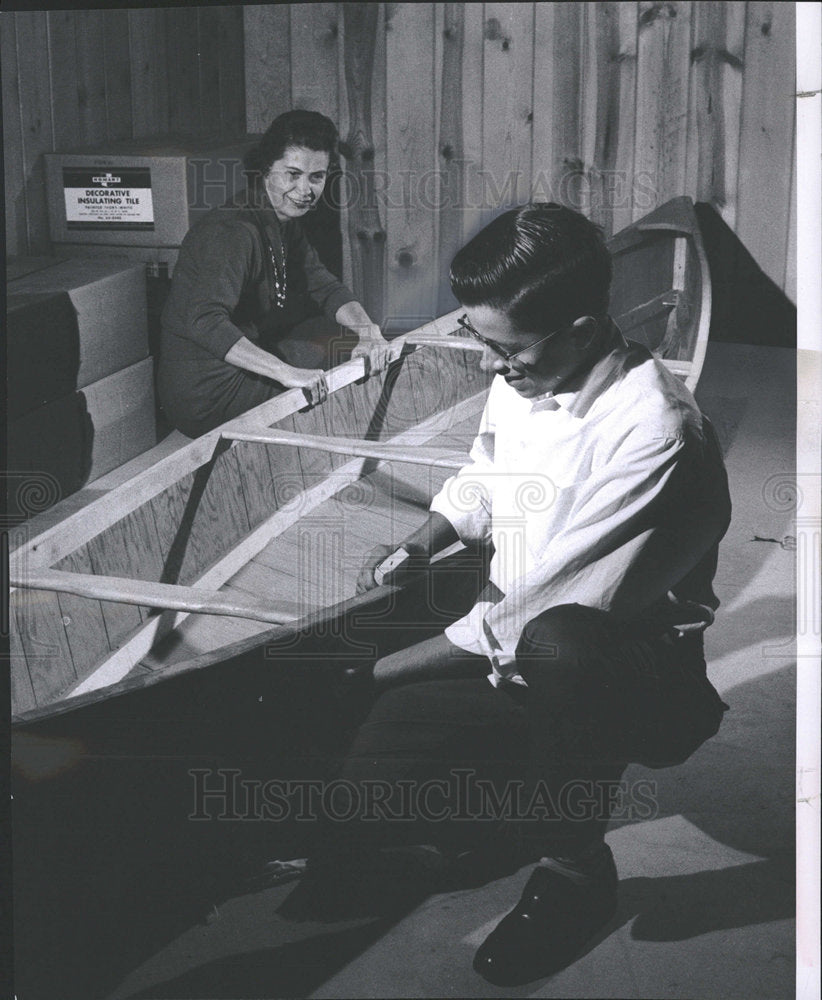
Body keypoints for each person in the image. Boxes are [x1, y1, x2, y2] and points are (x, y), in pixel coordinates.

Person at [309, 202, 732, 985]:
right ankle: (504, 811)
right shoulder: (531, 370)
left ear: (579, 329)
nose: (485, 366)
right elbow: (484, 474)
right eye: (476, 339)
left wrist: (367, 675)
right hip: (514, 651)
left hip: (629, 672)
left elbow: (530, 611)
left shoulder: (654, 430)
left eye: (504, 349)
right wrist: (426, 536)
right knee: (363, 800)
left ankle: (574, 874)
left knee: (558, 646)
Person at [157, 110, 387, 438]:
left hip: (240, 366)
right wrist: (286, 373)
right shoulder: (233, 231)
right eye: (292, 174)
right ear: (266, 169)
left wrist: (369, 331)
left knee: (343, 341)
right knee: (333, 374)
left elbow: (323, 286)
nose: (304, 189)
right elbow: (204, 320)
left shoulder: (281, 219)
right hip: (205, 394)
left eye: (316, 177)